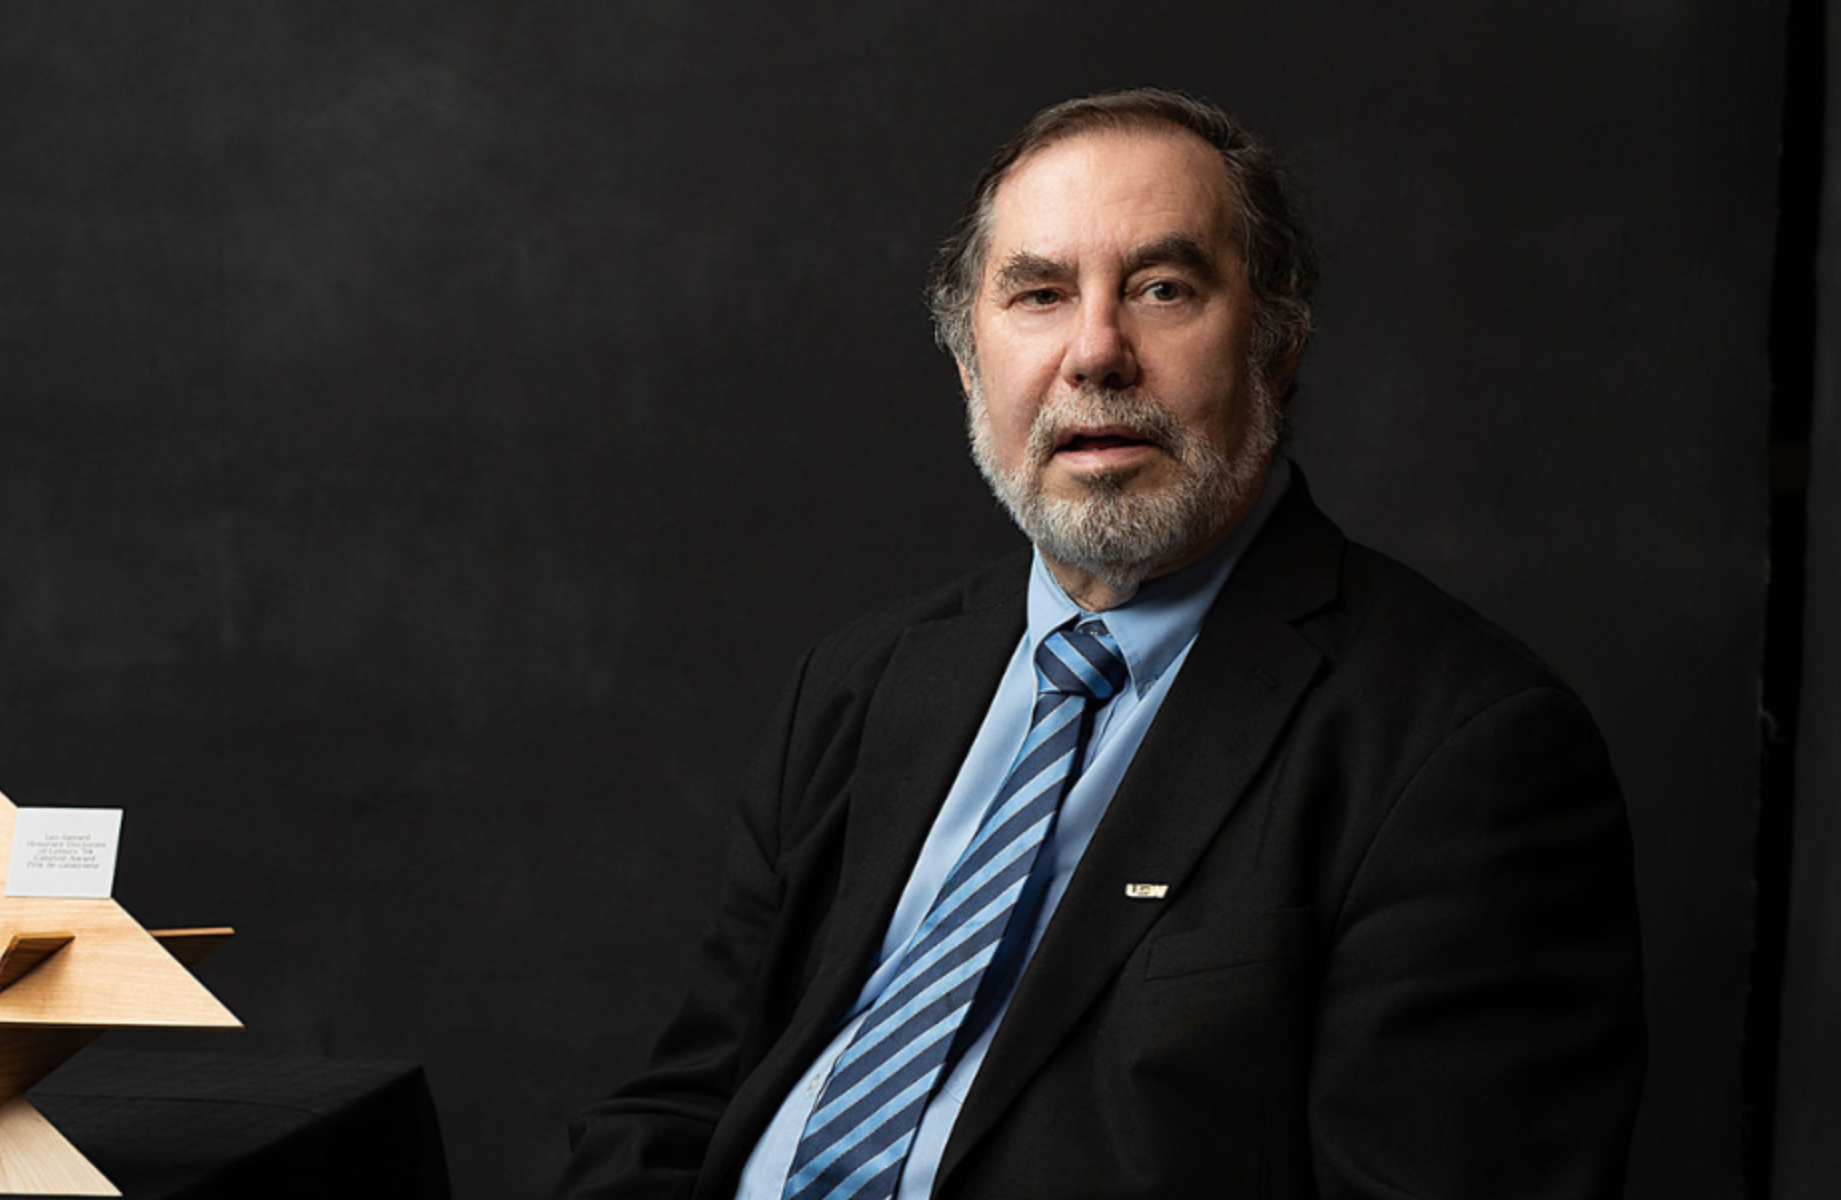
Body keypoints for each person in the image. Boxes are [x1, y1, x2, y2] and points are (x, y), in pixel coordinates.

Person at [556, 89, 1646, 1200]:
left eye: (1162, 290)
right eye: (1037, 294)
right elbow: (689, 1103)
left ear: (1277, 349)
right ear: (971, 364)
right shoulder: (862, 683)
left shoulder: (1463, 752)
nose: (1095, 353)